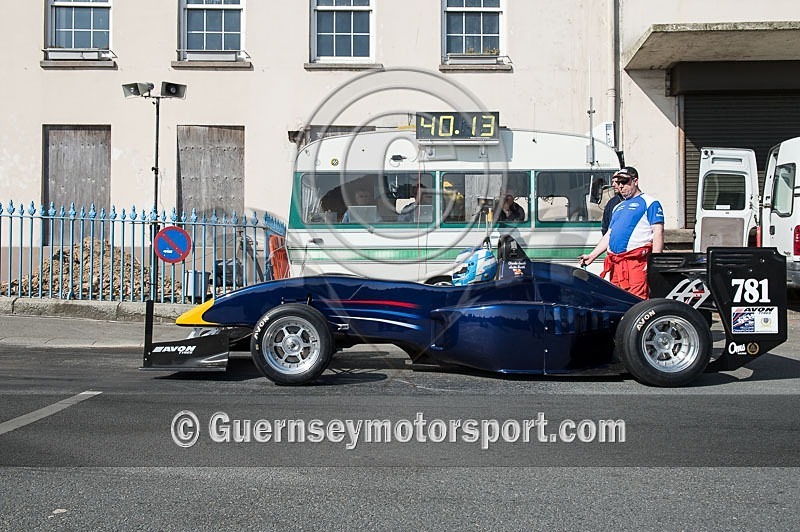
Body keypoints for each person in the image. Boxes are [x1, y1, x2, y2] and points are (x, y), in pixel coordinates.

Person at [578, 166, 664, 299]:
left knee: (636, 301)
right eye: (618, 183)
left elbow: (658, 232)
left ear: (635, 181)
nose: (621, 186)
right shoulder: (618, 206)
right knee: (618, 300)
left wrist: (655, 262)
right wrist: (592, 255)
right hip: (616, 264)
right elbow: (609, 234)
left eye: (624, 182)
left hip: (636, 262)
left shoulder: (650, 203)